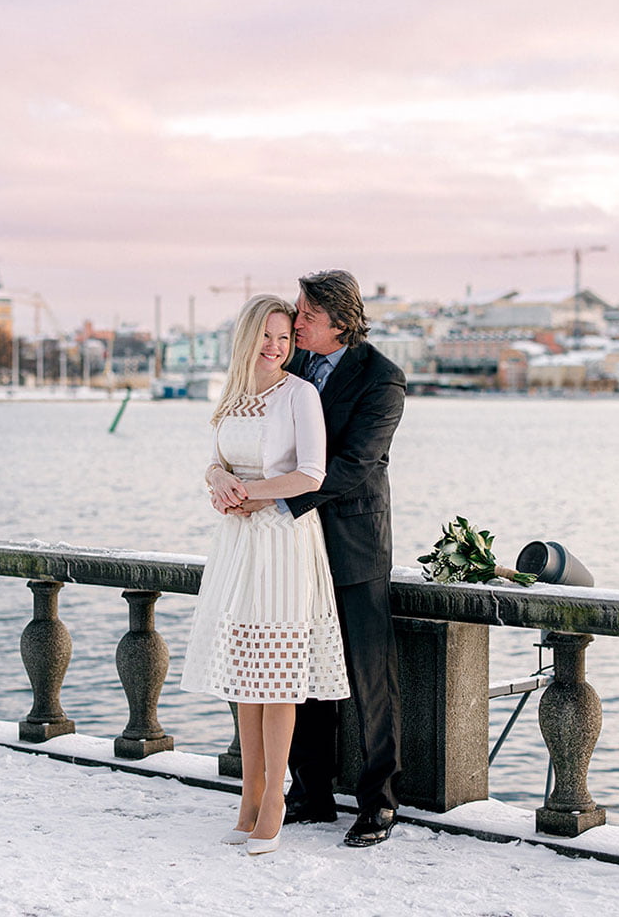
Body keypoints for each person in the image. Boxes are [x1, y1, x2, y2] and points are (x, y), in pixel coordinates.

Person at [229, 269, 406, 848]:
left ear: (339, 321)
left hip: (352, 542)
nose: (294, 322)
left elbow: (354, 465)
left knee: (368, 672)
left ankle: (378, 804)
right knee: (292, 663)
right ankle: (310, 792)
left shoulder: (383, 378)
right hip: (289, 544)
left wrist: (273, 495)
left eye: (305, 315)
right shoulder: (295, 366)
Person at [181, 293, 350, 856]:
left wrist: (251, 492)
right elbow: (214, 460)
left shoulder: (299, 395)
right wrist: (218, 484)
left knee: (277, 680)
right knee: (246, 682)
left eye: (285, 337)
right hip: (237, 544)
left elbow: (312, 474)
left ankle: (274, 802)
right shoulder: (231, 396)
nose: (277, 347)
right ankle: (249, 799)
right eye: (267, 336)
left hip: (283, 542)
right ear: (247, 338)